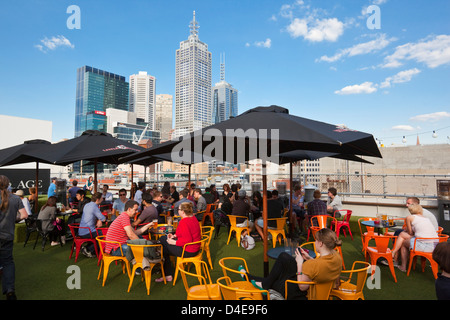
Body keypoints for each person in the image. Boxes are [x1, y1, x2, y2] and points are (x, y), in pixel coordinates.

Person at [242, 228, 342, 300]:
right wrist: (309, 258)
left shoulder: (313, 265)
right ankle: (262, 282)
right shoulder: (336, 257)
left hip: (306, 294)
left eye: (316, 240)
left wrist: (300, 263)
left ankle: (253, 279)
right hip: (320, 288)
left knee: (278, 281)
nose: (315, 242)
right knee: (284, 257)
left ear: (320, 243)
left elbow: (302, 287)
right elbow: (319, 268)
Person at [157, 202, 201, 283]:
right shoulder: (193, 218)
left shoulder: (184, 222)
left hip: (188, 250)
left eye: (178, 209)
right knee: (163, 242)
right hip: (195, 248)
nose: (177, 210)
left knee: (163, 244)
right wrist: (175, 236)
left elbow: (187, 240)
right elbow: (187, 233)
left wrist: (173, 242)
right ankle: (167, 273)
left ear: (183, 212)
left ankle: (167, 274)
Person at [0, 175, 28, 300]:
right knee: (8, 263)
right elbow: (24, 215)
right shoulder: (16, 198)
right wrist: (14, 219)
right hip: (7, 235)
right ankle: (10, 290)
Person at [391, 203, 438, 272]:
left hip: (424, 245)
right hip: (434, 245)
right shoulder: (426, 218)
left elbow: (410, 232)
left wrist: (408, 228)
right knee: (402, 235)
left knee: (403, 242)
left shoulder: (409, 217)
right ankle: (394, 253)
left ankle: (401, 264)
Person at [78, 192, 106, 257]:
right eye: (102, 198)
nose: (103, 199)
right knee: (103, 235)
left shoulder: (87, 205)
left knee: (98, 234)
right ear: (97, 200)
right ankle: (90, 249)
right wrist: (100, 219)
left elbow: (95, 216)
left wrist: (99, 220)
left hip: (81, 230)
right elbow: (103, 219)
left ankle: (88, 248)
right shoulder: (94, 207)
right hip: (88, 231)